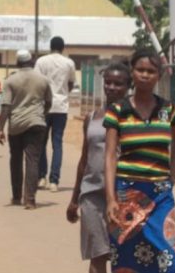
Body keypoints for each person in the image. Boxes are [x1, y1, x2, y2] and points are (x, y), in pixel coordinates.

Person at [103, 49, 175, 273]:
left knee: (169, 259)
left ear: (159, 75)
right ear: (132, 73)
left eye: (151, 71)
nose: (145, 75)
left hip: (161, 194)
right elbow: (110, 155)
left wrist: (172, 176)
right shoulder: (118, 111)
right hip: (126, 192)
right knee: (127, 258)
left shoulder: (169, 110)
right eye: (140, 70)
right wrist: (110, 199)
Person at [66, 62, 132, 273]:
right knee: (98, 254)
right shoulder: (92, 117)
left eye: (118, 84)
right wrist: (75, 198)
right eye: (108, 83)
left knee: (124, 255)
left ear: (128, 86)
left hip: (124, 194)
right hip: (92, 194)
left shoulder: (133, 118)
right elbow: (85, 159)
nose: (112, 87)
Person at [0, 49, 51, 210]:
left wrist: (1, 128)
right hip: (37, 123)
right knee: (32, 161)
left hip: (16, 125)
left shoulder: (10, 81)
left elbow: (6, 107)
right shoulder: (43, 79)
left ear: (17, 63)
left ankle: (16, 196)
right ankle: (30, 199)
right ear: (31, 61)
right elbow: (49, 102)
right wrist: (41, 114)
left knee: (15, 160)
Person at [35, 36, 76, 192]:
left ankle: (41, 177)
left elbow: (37, 82)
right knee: (57, 143)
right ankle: (54, 181)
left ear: (50, 46)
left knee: (41, 143)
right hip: (61, 106)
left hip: (44, 106)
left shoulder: (41, 62)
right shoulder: (69, 63)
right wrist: (63, 93)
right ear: (63, 47)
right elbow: (71, 82)